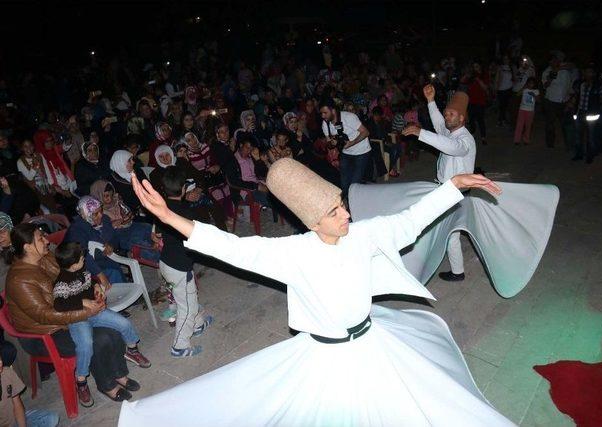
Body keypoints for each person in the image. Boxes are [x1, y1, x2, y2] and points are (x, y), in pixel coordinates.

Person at [119, 159, 513, 426]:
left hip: (373, 343)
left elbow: (409, 222)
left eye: (342, 205)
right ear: (313, 221)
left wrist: (453, 186)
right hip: (326, 357)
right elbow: (233, 248)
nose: (346, 215)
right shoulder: (293, 253)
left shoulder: (362, 234)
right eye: (335, 212)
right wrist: (169, 216)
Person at [6, 223, 137, 404]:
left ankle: (119, 374)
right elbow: (45, 315)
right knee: (99, 339)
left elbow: (73, 273)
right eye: (40, 238)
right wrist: (85, 311)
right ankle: (105, 384)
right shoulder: (19, 279)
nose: (47, 240)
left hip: (67, 314)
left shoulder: (46, 258)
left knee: (113, 328)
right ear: (27, 247)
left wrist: (94, 287)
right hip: (45, 333)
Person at [52, 241, 150, 406]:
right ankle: (81, 380)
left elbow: (90, 284)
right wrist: (83, 302)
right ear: (73, 264)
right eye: (82, 259)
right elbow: (59, 304)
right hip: (78, 320)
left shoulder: (82, 270)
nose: (84, 260)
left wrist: (97, 290)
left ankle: (132, 350)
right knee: (85, 344)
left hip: (95, 313)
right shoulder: (61, 283)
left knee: (123, 323)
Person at [402, 84, 476, 282]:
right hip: (445, 190)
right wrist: (431, 101)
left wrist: (420, 133)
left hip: (456, 193)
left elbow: (451, 147)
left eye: (451, 114)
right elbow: (439, 126)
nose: (446, 117)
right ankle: (455, 270)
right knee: (447, 231)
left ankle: (454, 271)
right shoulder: (451, 132)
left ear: (461, 118)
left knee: (448, 233)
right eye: (446, 113)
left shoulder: (465, 140)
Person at [157, 167, 213, 358]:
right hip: (179, 267)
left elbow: (156, 233)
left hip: (166, 262)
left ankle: (197, 325)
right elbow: (193, 240)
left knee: (189, 295)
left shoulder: (162, 208)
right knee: (185, 307)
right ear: (183, 189)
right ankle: (179, 346)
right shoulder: (184, 212)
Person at [90, 180, 160, 263]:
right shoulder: (97, 211)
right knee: (139, 244)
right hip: (119, 234)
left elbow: (127, 212)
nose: (109, 198)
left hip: (130, 225)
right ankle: (159, 257)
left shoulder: (116, 200)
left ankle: (161, 246)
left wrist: (127, 214)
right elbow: (102, 229)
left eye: (111, 195)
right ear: (98, 196)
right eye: (105, 196)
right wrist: (112, 224)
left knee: (148, 228)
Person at [64, 196, 125, 286]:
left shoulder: (104, 219)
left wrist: (111, 245)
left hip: (103, 258)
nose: (100, 215)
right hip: (82, 265)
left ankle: (123, 289)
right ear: (86, 215)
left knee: (115, 267)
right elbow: (81, 254)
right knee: (113, 273)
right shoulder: (77, 230)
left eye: (101, 211)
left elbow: (114, 237)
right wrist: (100, 274)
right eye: (95, 214)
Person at [319, 97, 372, 195]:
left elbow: (366, 132)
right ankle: (347, 204)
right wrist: (332, 143)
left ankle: (354, 206)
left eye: (325, 113)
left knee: (354, 184)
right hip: (345, 152)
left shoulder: (349, 117)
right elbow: (329, 143)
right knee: (344, 183)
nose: (323, 116)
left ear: (333, 110)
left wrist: (352, 142)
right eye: (321, 113)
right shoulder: (325, 124)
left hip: (361, 151)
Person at [0, 356, 59, 427]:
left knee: (51, 418)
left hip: (15, 419)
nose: (0, 363)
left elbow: (17, 405)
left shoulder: (7, 372)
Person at [572, 64, 602, 164]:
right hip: (580, 112)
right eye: (585, 72)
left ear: (594, 74)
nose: (587, 74)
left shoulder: (598, 85)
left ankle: (590, 155)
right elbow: (576, 96)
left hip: (591, 114)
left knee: (590, 136)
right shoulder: (581, 84)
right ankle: (579, 154)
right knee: (578, 135)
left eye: (589, 72)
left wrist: (598, 110)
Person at [541, 52, 573, 148]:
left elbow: (572, 65)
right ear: (549, 62)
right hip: (551, 101)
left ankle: (569, 144)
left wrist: (559, 68)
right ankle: (550, 144)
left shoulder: (565, 69)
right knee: (550, 124)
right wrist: (551, 76)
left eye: (556, 60)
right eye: (552, 61)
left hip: (565, 101)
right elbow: (545, 86)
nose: (554, 62)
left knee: (566, 124)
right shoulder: (546, 72)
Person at [461, 62, 489, 146]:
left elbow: (485, 87)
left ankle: (483, 137)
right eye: (474, 67)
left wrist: (478, 79)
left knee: (480, 120)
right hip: (471, 101)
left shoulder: (484, 75)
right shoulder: (471, 76)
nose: (475, 68)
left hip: (480, 102)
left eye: (477, 66)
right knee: (472, 120)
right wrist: (467, 74)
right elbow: (462, 81)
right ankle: (472, 135)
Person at [513, 77, 540, 145]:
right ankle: (517, 139)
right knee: (519, 125)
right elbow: (517, 94)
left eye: (532, 83)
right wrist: (523, 88)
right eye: (529, 83)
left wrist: (534, 95)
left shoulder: (536, 91)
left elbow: (538, 100)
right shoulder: (525, 89)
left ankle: (526, 140)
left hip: (530, 111)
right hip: (522, 109)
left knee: (528, 126)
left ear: (534, 84)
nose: (530, 85)